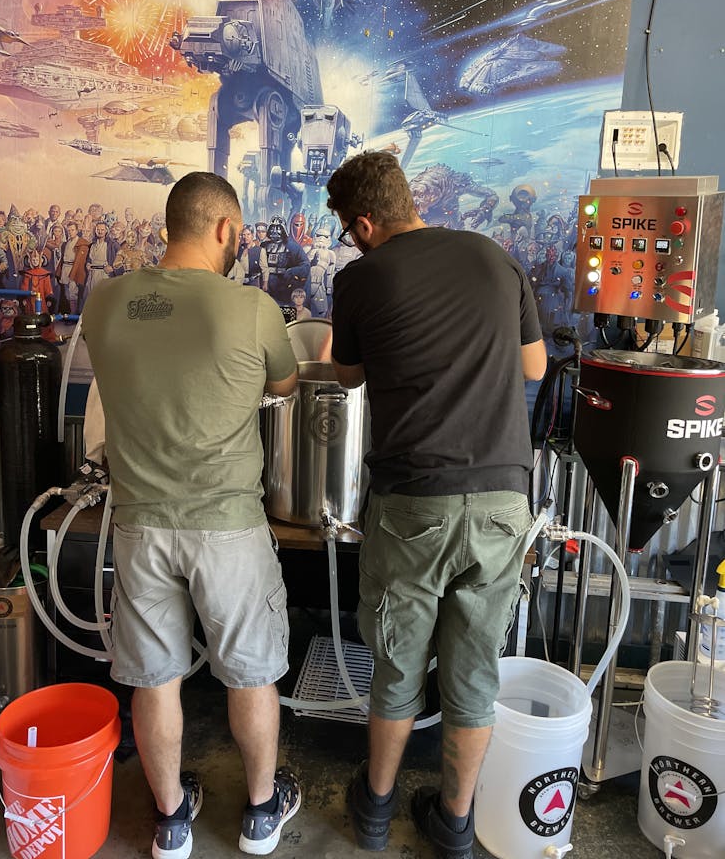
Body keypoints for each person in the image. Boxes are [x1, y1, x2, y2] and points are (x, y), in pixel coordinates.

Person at [326, 151, 547, 859]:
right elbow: (535, 365)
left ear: (364, 222)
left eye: (345, 228)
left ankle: (375, 808)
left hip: (412, 500)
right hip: (502, 498)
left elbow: (347, 373)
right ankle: (453, 822)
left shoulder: (361, 277)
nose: (347, 241)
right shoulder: (493, 257)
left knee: (397, 665)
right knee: (474, 671)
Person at [82, 171, 302, 859]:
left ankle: (172, 820)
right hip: (228, 527)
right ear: (225, 229)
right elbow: (287, 386)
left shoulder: (106, 303)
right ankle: (262, 814)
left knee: (155, 678)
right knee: (251, 673)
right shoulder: (252, 308)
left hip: (140, 525)